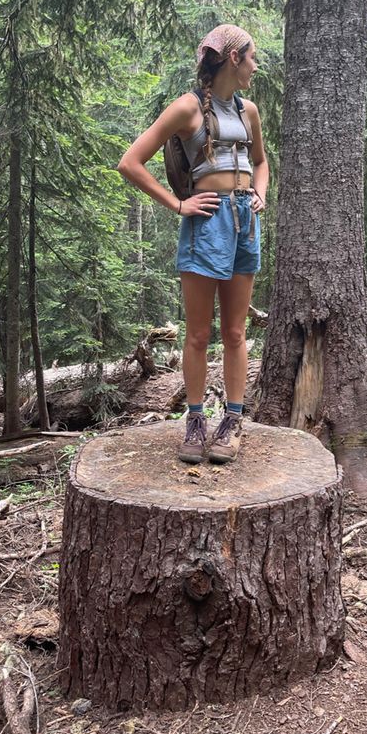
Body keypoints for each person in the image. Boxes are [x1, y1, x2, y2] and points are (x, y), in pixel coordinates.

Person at [118, 24, 269, 464]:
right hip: (206, 222)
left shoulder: (249, 111)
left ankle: (234, 420)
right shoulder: (188, 108)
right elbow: (131, 162)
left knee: (237, 331)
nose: (256, 66)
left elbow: (260, 163)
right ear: (233, 58)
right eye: (252, 57)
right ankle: (196, 419)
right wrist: (178, 205)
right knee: (200, 333)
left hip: (245, 223)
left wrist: (260, 192)